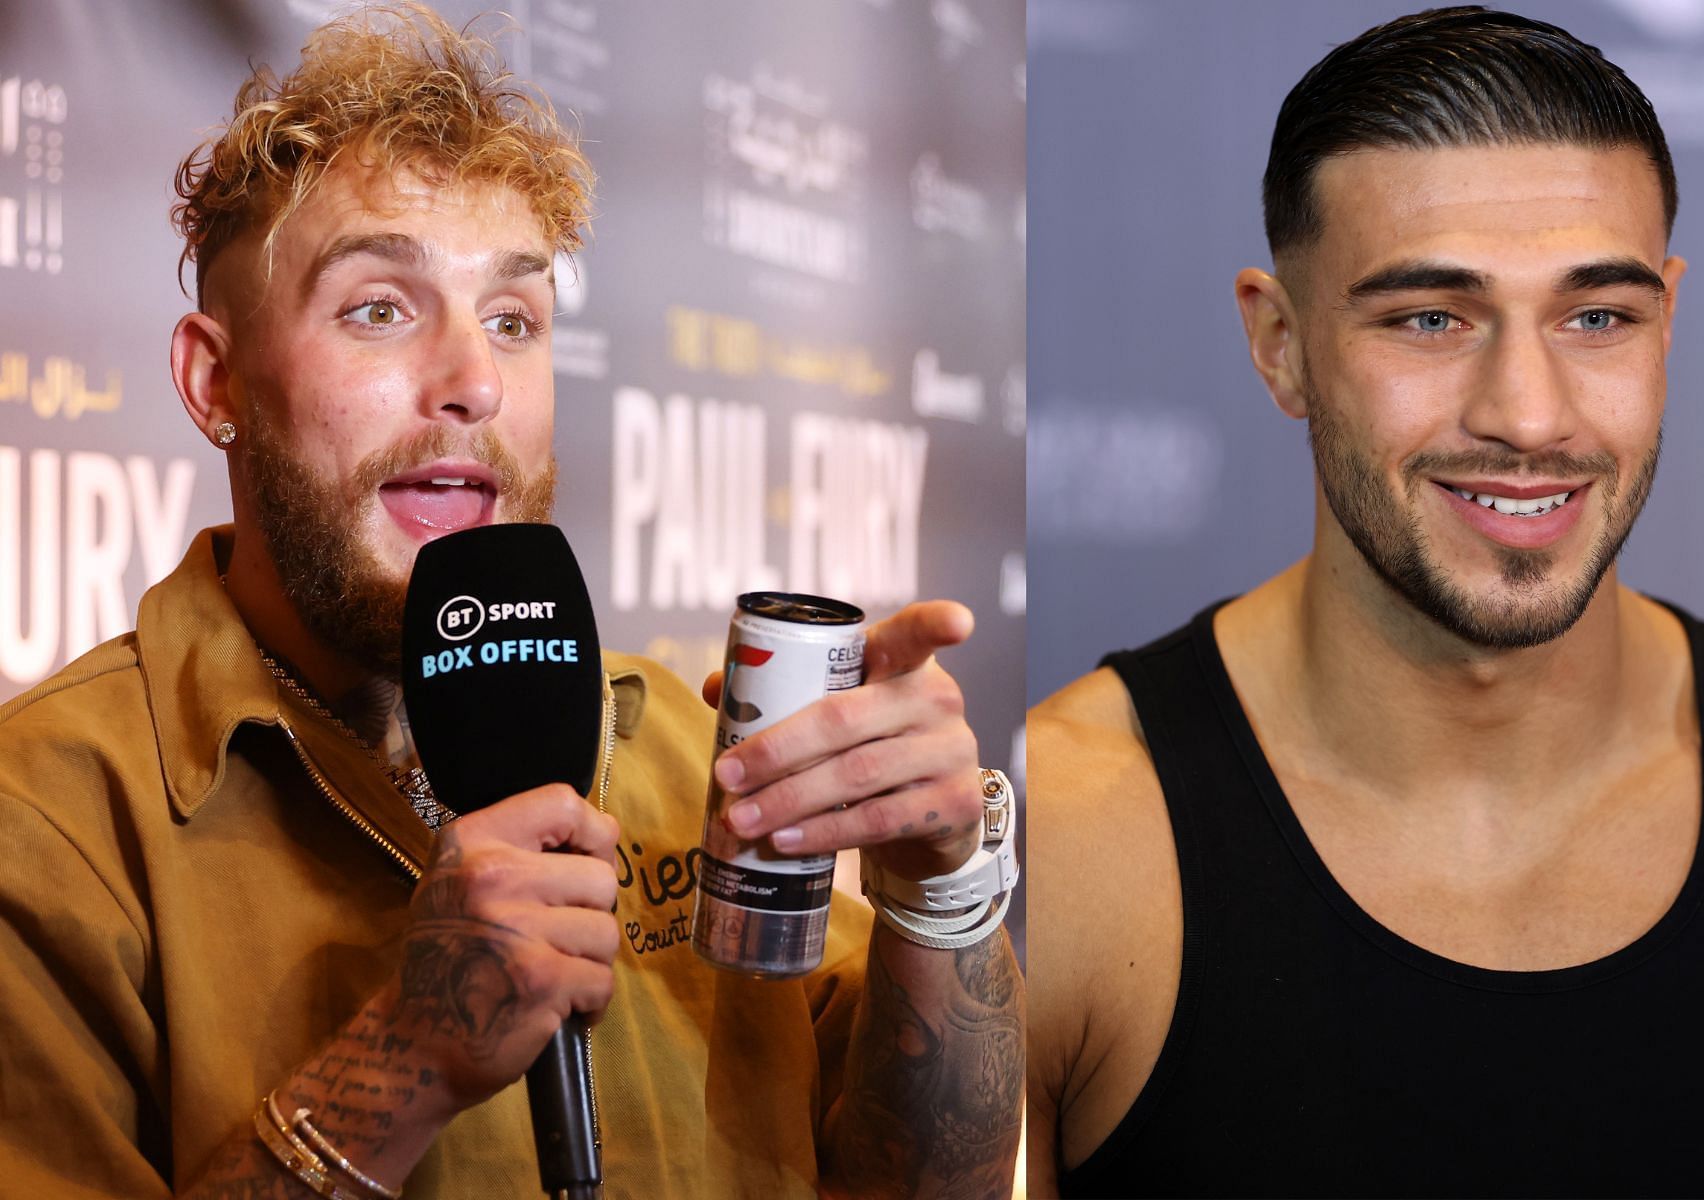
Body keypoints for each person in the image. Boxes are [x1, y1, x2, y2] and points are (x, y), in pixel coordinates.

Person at [0, 6, 1022, 1197]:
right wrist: (403, 1062)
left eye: (514, 321)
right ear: (214, 378)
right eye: (379, 307)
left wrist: (941, 896)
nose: (474, 381)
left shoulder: (688, 754)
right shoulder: (51, 819)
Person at [1027, 7, 1704, 1197]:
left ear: (1668, 321)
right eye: (1431, 319)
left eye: (1598, 317)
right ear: (1281, 343)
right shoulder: (1067, 848)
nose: (1530, 416)